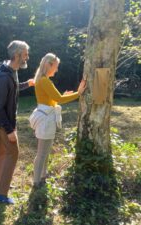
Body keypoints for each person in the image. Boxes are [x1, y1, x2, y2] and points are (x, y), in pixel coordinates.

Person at [29, 53, 86, 187]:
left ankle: (42, 177)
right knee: (42, 153)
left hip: (45, 117)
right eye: (56, 66)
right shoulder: (44, 80)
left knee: (44, 152)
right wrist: (78, 93)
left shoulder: (42, 79)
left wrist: (64, 96)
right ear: (49, 65)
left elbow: (51, 99)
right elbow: (59, 99)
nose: (57, 69)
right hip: (45, 120)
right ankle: (37, 182)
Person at [0, 40, 34, 204]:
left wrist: (26, 84)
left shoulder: (9, 70)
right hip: (4, 121)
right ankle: (1, 194)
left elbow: (13, 87)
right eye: (25, 54)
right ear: (17, 55)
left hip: (4, 120)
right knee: (13, 153)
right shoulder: (4, 78)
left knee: (1, 151)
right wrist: (9, 130)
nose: (27, 57)